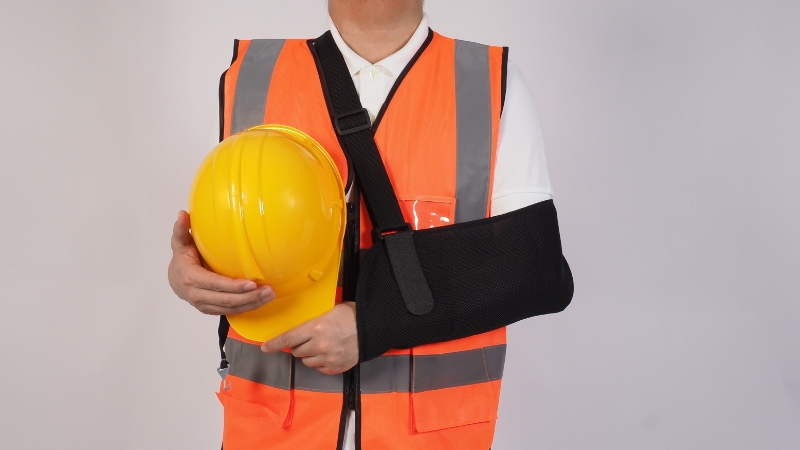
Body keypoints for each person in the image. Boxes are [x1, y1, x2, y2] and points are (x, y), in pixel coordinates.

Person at [168, 1, 572, 448]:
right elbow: (217, 237)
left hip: (429, 436)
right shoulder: (249, 78)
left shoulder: (490, 81)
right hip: (271, 430)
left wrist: (375, 323)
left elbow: (533, 268)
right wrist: (185, 274)